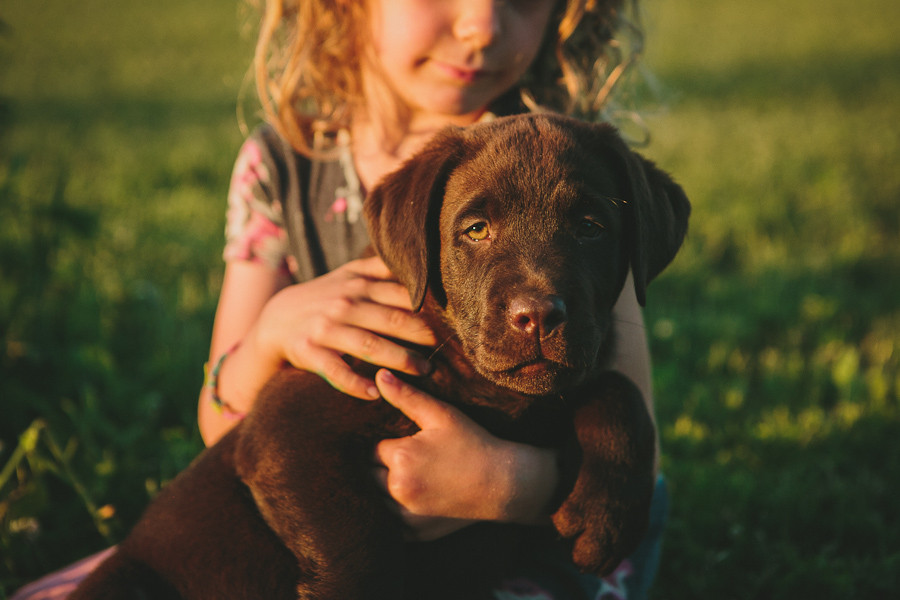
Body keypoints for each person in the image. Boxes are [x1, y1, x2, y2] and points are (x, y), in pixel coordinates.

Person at [11, 1, 668, 599]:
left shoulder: (587, 160)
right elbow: (246, 433)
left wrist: (505, 483)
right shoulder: (289, 167)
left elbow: (628, 441)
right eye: (475, 228)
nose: (481, 24)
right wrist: (270, 333)